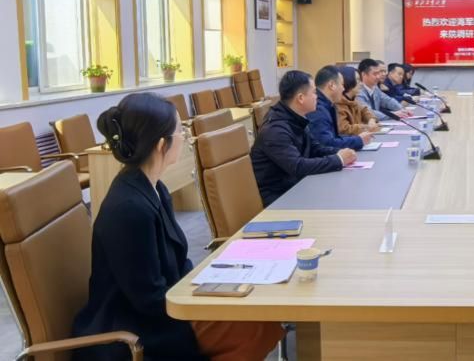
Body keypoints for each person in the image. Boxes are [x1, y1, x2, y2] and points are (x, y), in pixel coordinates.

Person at [71, 93, 283, 361]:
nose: (184, 136)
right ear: (162, 144)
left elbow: (177, 263)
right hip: (136, 326)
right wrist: (202, 302)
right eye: (180, 130)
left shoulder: (154, 187)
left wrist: (214, 285)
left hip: (171, 300)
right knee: (252, 329)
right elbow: (148, 299)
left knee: (256, 314)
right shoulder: (128, 208)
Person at [251, 71, 357, 206]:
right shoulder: (275, 130)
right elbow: (298, 166)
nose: (317, 96)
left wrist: (341, 152)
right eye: (314, 92)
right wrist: (338, 159)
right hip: (279, 198)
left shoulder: (297, 118)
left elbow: (315, 148)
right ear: (301, 98)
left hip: (297, 187)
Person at [307, 65, 373, 150]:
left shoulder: (328, 105)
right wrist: (359, 140)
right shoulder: (318, 109)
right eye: (342, 84)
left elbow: (333, 138)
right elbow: (326, 144)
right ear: (331, 85)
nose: (343, 89)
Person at [335, 66, 380, 135]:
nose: (361, 83)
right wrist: (366, 127)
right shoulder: (339, 104)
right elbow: (344, 129)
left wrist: (371, 120)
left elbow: (365, 111)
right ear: (348, 81)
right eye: (358, 80)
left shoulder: (354, 100)